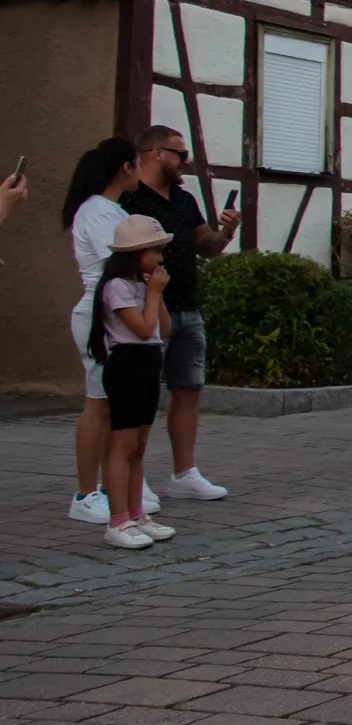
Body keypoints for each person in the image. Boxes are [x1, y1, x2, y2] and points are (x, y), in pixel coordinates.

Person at [121, 126, 236, 500]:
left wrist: (227, 233)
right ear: (156, 153)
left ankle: (184, 473)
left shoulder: (184, 200)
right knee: (142, 394)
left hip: (188, 307)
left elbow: (208, 247)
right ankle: (132, 477)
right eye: (180, 154)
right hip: (150, 308)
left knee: (188, 390)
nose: (185, 161)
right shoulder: (131, 199)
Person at [60, 138, 146, 524]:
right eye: (137, 164)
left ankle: (116, 487)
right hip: (100, 314)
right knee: (99, 402)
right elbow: (117, 259)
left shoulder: (111, 209)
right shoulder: (97, 211)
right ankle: (85, 492)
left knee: (117, 404)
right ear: (125, 169)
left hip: (116, 311)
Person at [89, 215, 178, 550]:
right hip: (126, 363)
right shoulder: (117, 287)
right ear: (136, 253)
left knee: (139, 446)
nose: (160, 257)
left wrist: (157, 293)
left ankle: (137, 513)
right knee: (122, 446)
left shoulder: (143, 286)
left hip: (149, 362)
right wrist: (153, 293)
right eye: (155, 251)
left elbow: (162, 328)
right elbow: (141, 328)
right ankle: (118, 520)